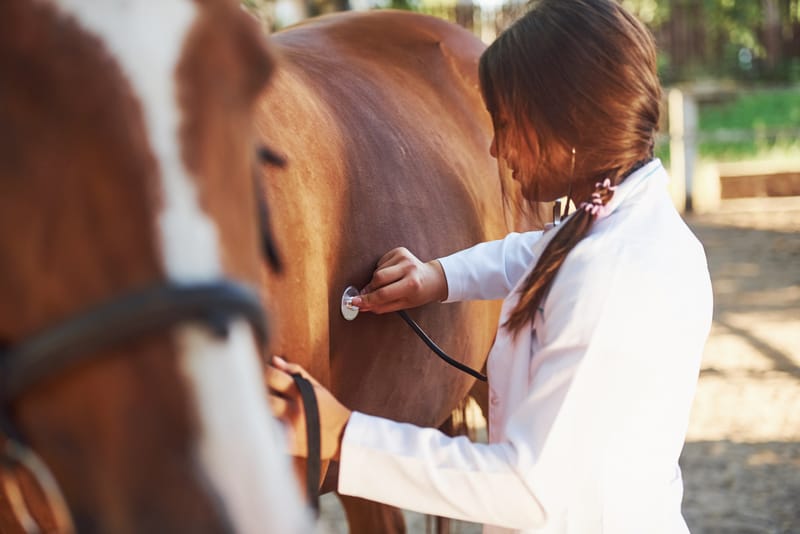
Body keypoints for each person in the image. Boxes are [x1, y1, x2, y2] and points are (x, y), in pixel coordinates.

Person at [266, 0, 713, 531]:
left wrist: (344, 435)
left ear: (566, 119)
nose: (498, 150)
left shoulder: (610, 275)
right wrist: (439, 276)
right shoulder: (626, 223)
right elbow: (534, 252)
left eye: (505, 124)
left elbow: (528, 489)